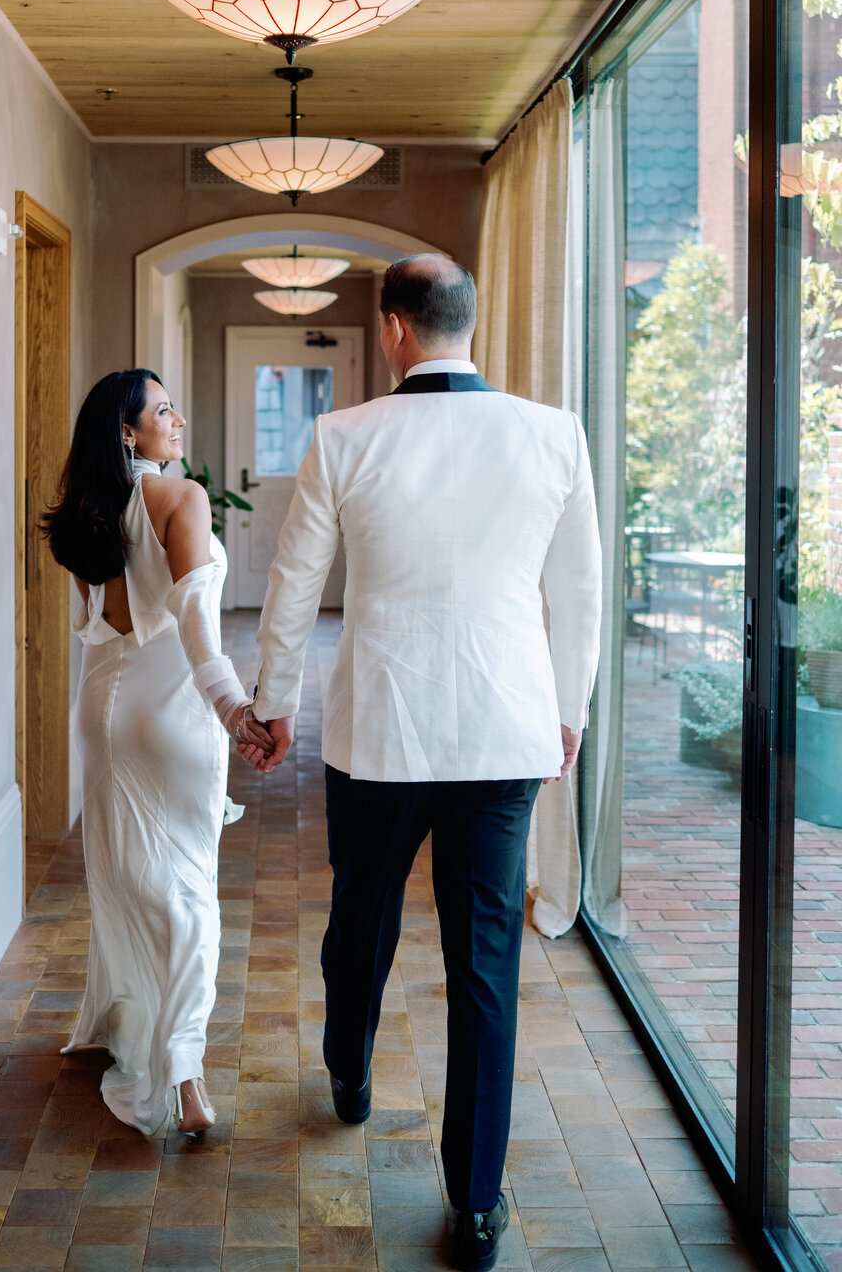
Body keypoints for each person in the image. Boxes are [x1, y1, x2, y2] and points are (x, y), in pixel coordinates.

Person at [239, 257, 602, 1270]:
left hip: (380, 732)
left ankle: (349, 1074)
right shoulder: (551, 433)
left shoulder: (342, 436)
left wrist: (272, 706)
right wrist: (567, 709)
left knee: (363, 917)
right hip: (503, 730)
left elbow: (292, 586)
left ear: (393, 327)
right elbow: (580, 593)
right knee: (486, 960)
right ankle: (476, 1207)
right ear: (466, 324)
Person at [42, 369, 271, 1138]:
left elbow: (101, 621)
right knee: (187, 893)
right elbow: (199, 627)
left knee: (122, 877)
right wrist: (237, 707)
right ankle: (182, 1070)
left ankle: (115, 1025)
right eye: (162, 410)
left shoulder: (83, 515)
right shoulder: (180, 500)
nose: (178, 418)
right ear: (128, 434)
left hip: (102, 709)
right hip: (171, 714)